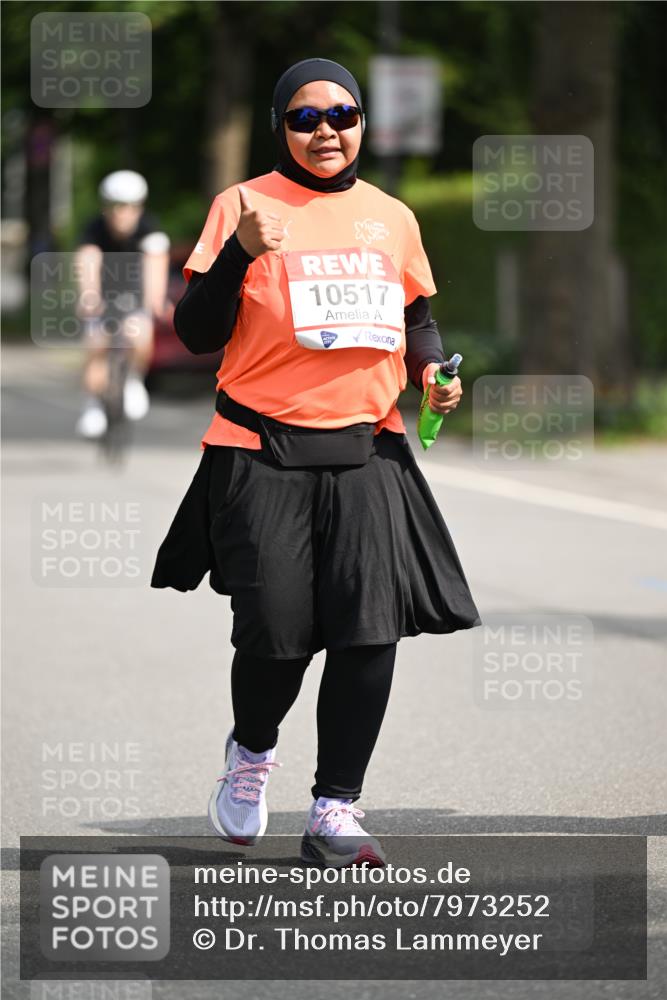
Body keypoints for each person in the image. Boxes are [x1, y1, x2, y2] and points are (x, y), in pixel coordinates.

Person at [151, 58, 481, 868]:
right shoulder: (244, 205)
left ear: (362, 122)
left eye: (342, 113)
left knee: (371, 634)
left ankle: (336, 806)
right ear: (281, 128)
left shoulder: (392, 218)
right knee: (277, 634)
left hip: (368, 451)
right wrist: (237, 253)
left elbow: (417, 317)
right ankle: (252, 754)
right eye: (305, 118)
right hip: (258, 449)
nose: (325, 129)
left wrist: (431, 374)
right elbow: (195, 332)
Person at [74, 170, 171, 439]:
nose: (123, 213)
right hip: (103, 294)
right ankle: (93, 404)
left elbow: (156, 263)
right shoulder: (94, 228)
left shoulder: (150, 227)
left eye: (130, 206)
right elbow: (87, 261)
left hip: (134, 293)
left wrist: (155, 301)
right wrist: (88, 295)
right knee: (96, 345)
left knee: (139, 336)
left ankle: (133, 379)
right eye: (116, 207)